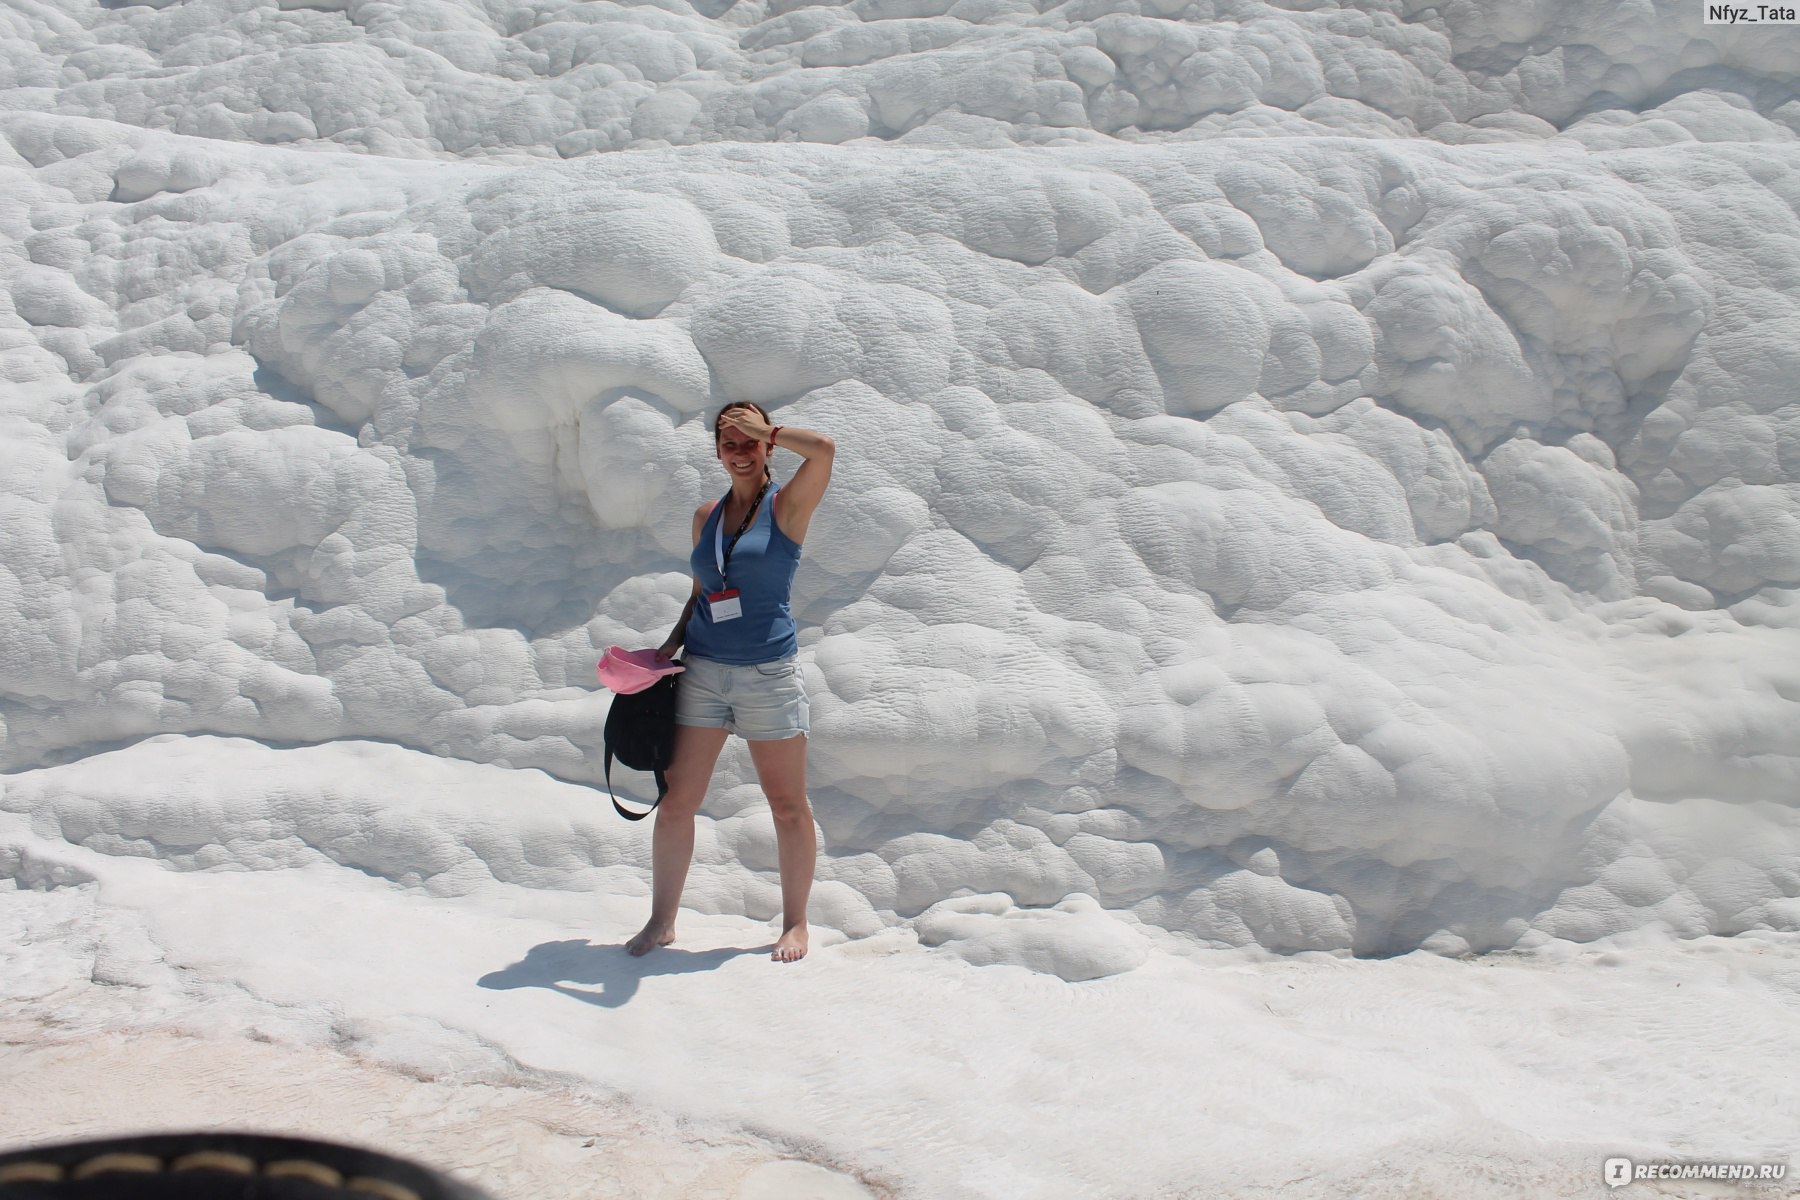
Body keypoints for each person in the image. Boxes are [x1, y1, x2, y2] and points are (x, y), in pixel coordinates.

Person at [626, 402, 835, 963]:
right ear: (717, 453)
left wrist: (765, 427)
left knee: (787, 805)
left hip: (767, 674)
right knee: (675, 804)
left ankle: (795, 924)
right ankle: (661, 920)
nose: (740, 453)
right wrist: (664, 652)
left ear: (768, 446)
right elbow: (704, 592)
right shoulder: (706, 516)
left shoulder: (787, 506)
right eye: (729, 443)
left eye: (750, 442)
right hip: (703, 673)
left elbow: (824, 451)